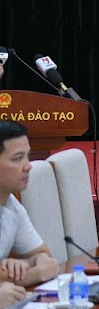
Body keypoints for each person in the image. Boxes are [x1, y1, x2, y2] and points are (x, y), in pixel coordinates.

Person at [0, 121, 59, 286]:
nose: (28, 166)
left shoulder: (11, 204)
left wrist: (25, 263)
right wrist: (36, 273)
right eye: (18, 158)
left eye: (27, 156)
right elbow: (44, 269)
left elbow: (44, 256)